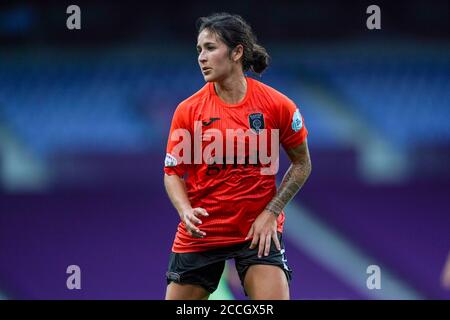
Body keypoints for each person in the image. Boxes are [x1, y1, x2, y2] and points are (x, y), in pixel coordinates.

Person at [163, 12, 312, 300]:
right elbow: (172, 173)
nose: (201, 57)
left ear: (237, 52)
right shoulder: (188, 110)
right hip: (202, 234)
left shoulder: (277, 105)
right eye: (198, 50)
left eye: (210, 48)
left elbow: (302, 163)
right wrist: (185, 211)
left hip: (256, 233)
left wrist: (272, 211)